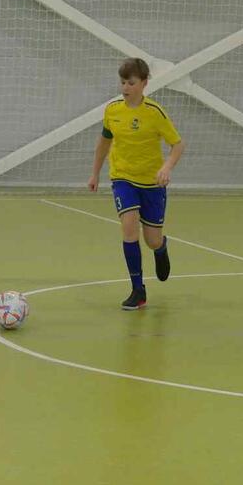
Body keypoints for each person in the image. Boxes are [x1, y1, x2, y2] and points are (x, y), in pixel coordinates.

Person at [87, 58, 186, 310]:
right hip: (123, 178)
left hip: (152, 183)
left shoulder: (155, 113)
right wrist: (95, 173)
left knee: (151, 240)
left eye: (131, 83)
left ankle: (161, 248)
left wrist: (166, 167)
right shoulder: (112, 110)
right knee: (129, 228)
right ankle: (138, 290)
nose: (125, 87)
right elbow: (104, 143)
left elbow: (177, 145)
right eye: (122, 82)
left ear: (144, 83)